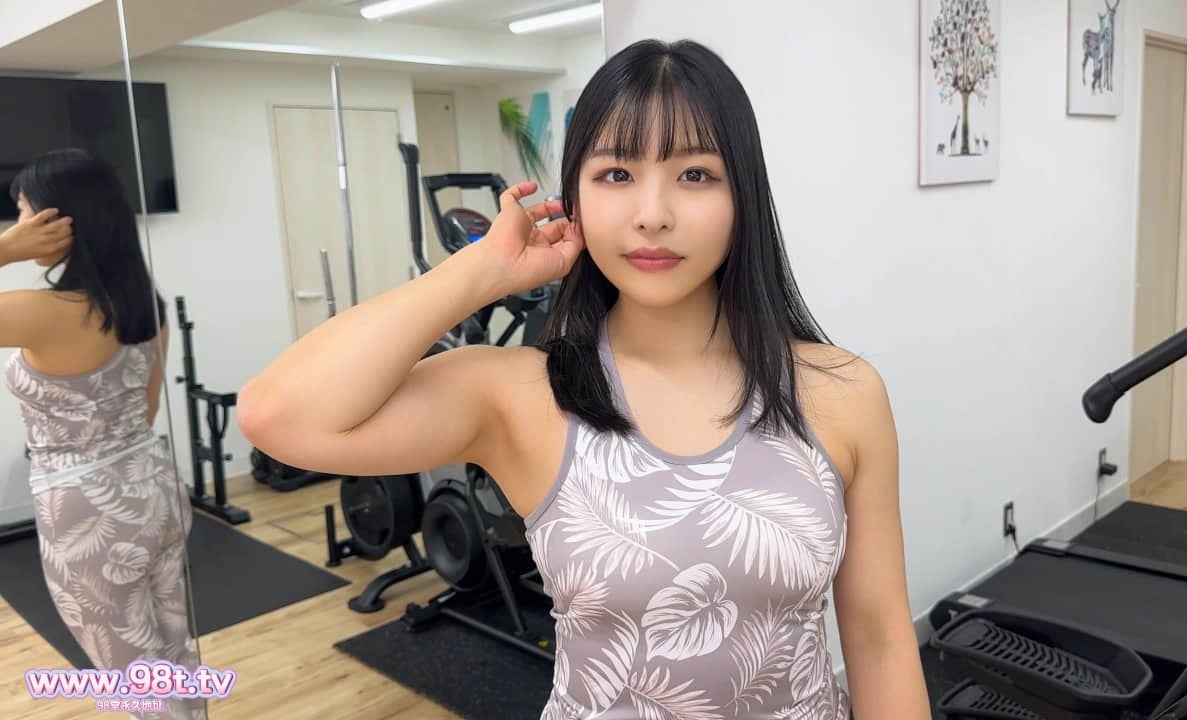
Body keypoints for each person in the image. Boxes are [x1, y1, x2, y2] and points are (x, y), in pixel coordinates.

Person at [239, 39, 931, 719]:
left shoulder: (841, 393)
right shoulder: (524, 396)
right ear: (573, 197)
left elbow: (879, 636)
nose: (652, 213)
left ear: (743, 195)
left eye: (695, 174)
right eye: (616, 174)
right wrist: (479, 272)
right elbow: (277, 416)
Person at [2, 148, 204, 720]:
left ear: (59, 219)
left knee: (134, 677)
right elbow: (146, 407)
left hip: (85, 509)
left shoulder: (43, 312)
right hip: (154, 487)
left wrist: (5, 250)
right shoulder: (144, 304)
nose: (19, 223)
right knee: (172, 654)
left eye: (24, 210)